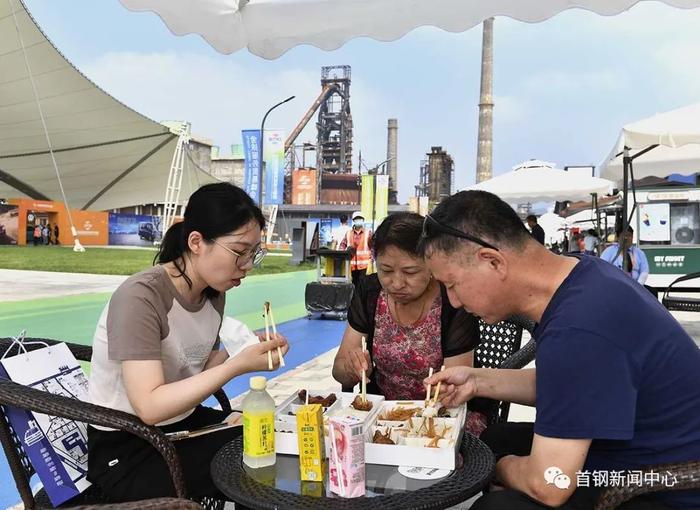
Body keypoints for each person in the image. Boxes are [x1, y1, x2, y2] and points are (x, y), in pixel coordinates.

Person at [420, 190, 700, 509]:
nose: (454, 301)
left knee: (496, 502)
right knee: (496, 438)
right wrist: (475, 380)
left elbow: (550, 483)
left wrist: (493, 467)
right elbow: (572, 384)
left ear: (492, 261)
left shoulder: (579, 326)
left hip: (662, 487)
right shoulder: (582, 275)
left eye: (452, 284)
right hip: (636, 450)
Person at [87, 183, 289, 502]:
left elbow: (194, 374)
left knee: (270, 438)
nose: (248, 265)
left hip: (180, 425)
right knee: (254, 463)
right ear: (196, 242)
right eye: (239, 252)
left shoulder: (213, 294)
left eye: (254, 253)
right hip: (129, 448)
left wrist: (236, 351)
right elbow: (150, 407)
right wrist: (238, 365)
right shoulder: (141, 298)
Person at [332, 212, 485, 432]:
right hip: (382, 413)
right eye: (386, 270)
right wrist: (352, 368)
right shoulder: (370, 291)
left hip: (442, 415)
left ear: (431, 266)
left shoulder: (453, 299)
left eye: (410, 272)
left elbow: (456, 390)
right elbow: (338, 371)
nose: (396, 283)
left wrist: (415, 420)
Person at [340, 211, 373, 286]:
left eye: (360, 219)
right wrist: (341, 255)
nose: (358, 220)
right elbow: (343, 245)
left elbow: (373, 247)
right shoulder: (348, 233)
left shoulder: (368, 233)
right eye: (356, 219)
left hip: (364, 266)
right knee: (353, 285)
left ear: (363, 220)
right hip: (351, 265)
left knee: (363, 287)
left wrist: (372, 259)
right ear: (353, 221)